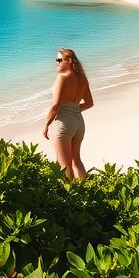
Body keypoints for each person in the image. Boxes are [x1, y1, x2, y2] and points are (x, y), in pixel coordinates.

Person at [43, 47, 93, 179]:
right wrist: (73, 109)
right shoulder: (82, 78)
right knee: (76, 160)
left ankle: (69, 197)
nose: (56, 62)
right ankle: (87, 190)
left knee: (64, 165)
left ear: (69, 61)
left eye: (59, 60)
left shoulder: (62, 77)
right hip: (78, 122)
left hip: (64, 123)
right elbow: (89, 103)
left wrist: (46, 124)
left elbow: (56, 105)